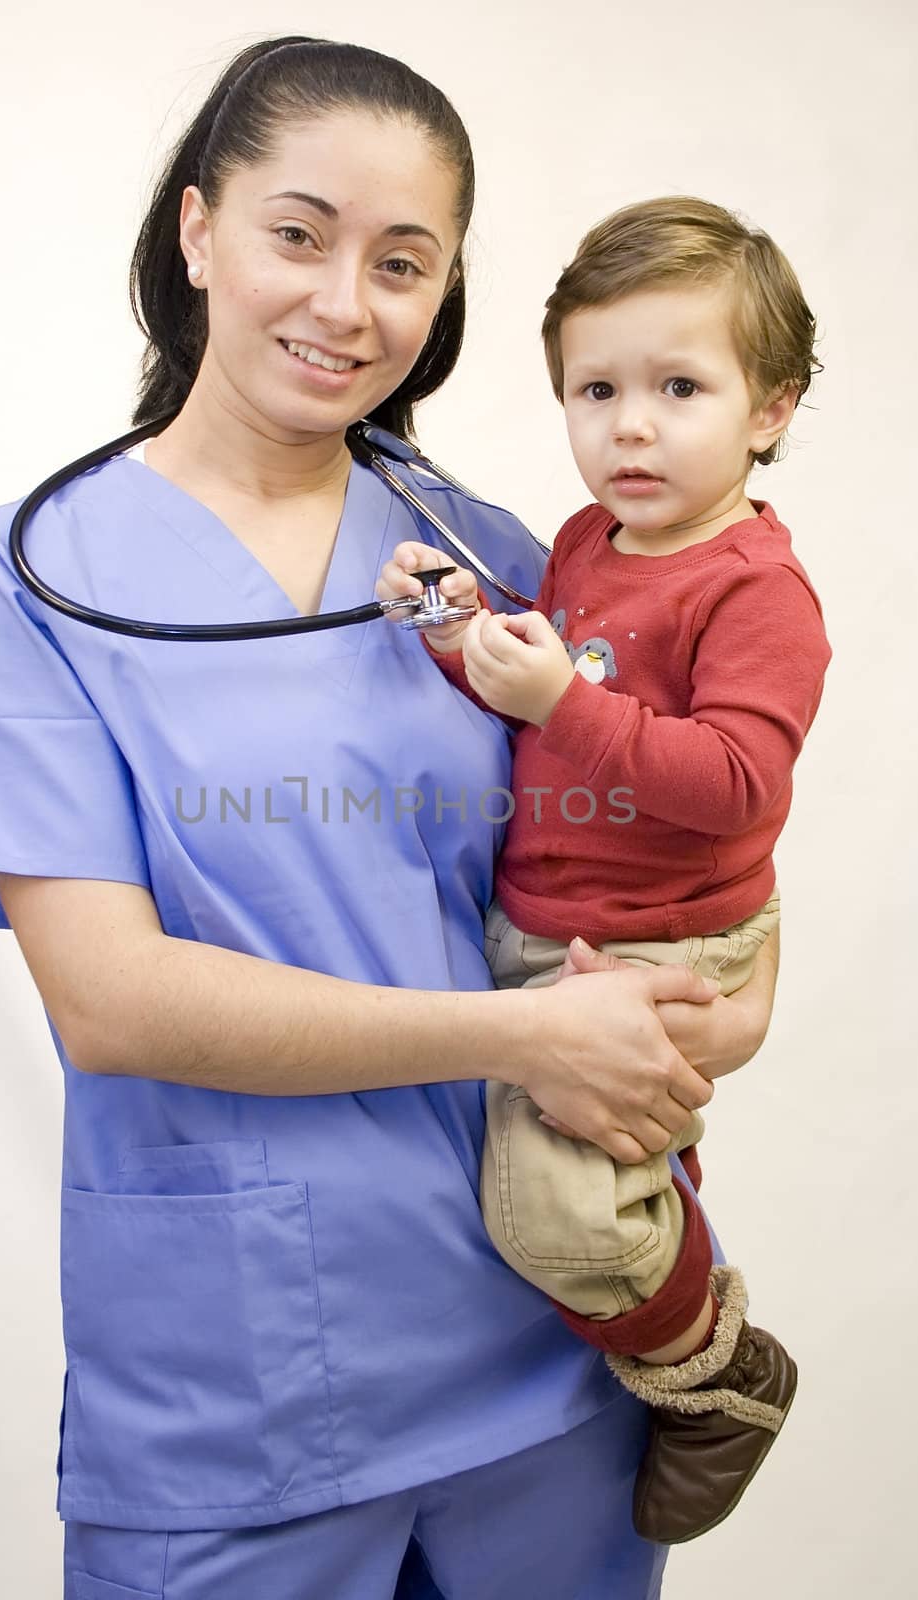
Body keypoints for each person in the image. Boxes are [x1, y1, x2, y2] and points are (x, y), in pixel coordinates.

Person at [0, 40, 779, 1600]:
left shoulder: (495, 557)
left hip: (551, 1355)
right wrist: (522, 1040)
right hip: (240, 1395)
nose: (345, 303)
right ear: (197, 234)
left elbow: (671, 833)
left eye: (403, 264)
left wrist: (730, 1001)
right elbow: (110, 1000)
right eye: (298, 235)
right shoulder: (34, 581)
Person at [378, 196, 830, 1547]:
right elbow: (542, 670)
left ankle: (711, 1369)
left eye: (677, 387)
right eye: (596, 389)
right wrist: (450, 622)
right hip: (554, 922)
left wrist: (552, 707)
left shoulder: (752, 590)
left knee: (555, 1216)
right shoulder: (584, 544)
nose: (628, 426)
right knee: (570, 1185)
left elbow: (735, 786)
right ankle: (675, 1325)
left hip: (659, 938)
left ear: (769, 409)